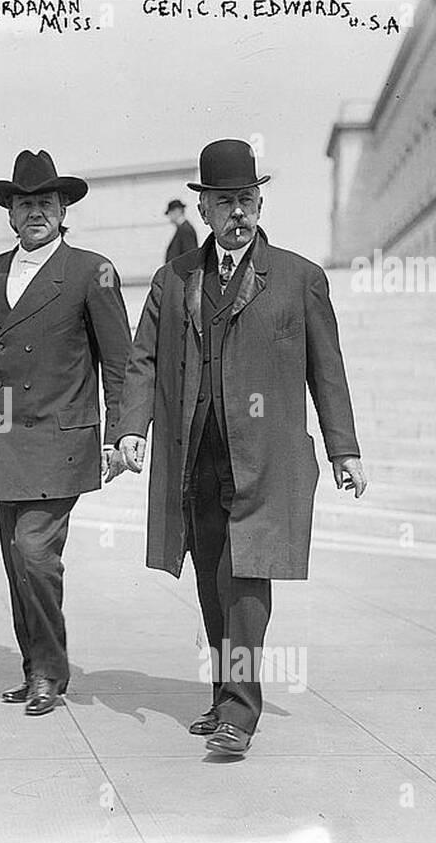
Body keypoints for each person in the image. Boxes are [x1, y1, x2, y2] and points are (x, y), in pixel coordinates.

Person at [111, 139, 367, 756]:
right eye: (225, 202)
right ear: (204, 209)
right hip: (194, 457)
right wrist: (128, 429)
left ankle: (240, 712)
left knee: (247, 579)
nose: (238, 214)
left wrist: (344, 448)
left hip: (266, 458)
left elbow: (325, 369)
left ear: (260, 202)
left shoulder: (299, 278)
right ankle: (225, 692)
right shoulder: (175, 280)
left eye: (247, 200)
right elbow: (141, 359)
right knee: (210, 578)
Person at [0, 149, 132, 716]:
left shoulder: (90, 271)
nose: (35, 213)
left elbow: (120, 362)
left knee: (33, 554)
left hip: (60, 438)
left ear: (61, 209)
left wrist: (120, 434)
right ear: (9, 213)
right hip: (2, 439)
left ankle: (50, 670)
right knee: (15, 560)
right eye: (24, 204)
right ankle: (35, 671)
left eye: (45, 203)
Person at [165, 198, 198, 263]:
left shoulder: (186, 230)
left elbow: (190, 257)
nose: (169, 217)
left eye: (170, 213)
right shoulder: (182, 229)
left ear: (177, 211)